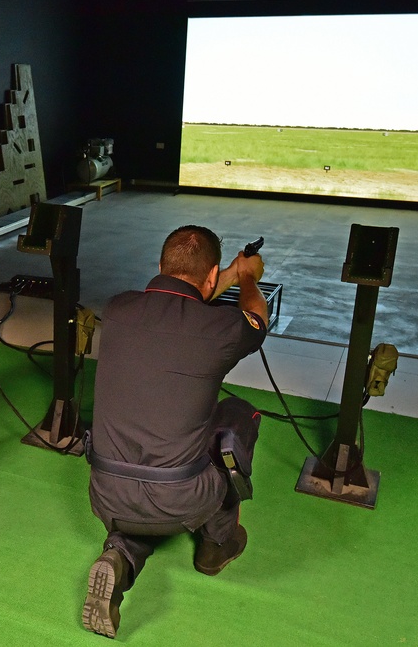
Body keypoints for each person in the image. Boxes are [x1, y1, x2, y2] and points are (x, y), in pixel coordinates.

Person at [81, 225, 268, 639]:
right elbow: (257, 318)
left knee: (143, 489)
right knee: (239, 413)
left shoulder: (118, 309)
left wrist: (224, 274)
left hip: (106, 494)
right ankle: (216, 545)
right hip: (183, 499)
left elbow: (179, 304)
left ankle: (120, 556)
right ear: (212, 273)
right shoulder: (221, 330)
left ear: (160, 266)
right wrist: (247, 276)